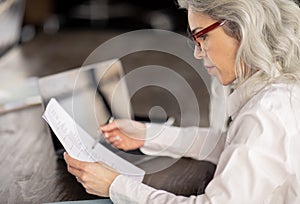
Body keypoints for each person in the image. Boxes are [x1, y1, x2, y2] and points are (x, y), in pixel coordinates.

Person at [63, 0, 300, 203]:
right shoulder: (280, 93)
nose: (198, 53)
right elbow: (233, 145)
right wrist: (148, 134)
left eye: (203, 36)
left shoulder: (264, 114)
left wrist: (114, 185)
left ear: (241, 28)